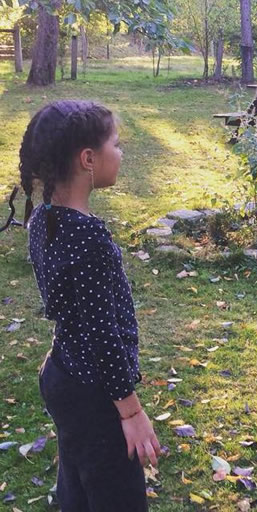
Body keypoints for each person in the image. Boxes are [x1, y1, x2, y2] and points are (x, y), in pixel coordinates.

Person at [17, 100, 160, 511]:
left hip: (61, 372)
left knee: (78, 483)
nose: (122, 152)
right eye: (116, 144)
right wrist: (131, 413)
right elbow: (103, 337)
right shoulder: (89, 237)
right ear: (88, 159)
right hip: (92, 391)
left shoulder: (44, 218)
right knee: (117, 494)